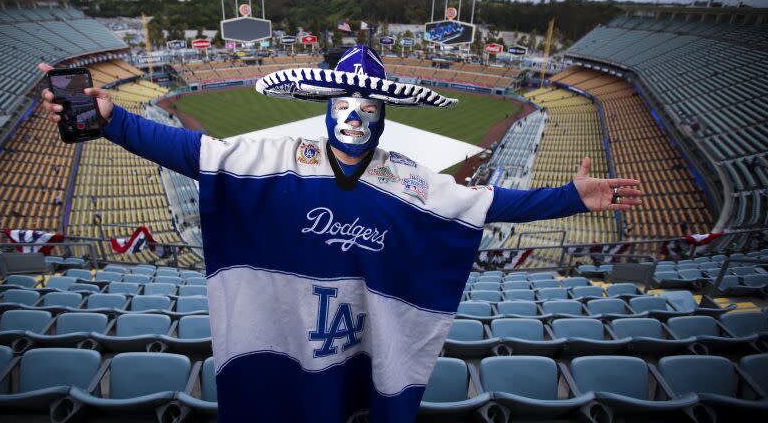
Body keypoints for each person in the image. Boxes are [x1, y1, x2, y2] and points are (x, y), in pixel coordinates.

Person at [38, 45, 642, 423]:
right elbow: (189, 151)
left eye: (369, 110)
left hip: (353, 346)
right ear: (325, 107)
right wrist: (112, 123)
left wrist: (570, 196)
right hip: (277, 341)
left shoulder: (407, 181)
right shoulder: (271, 157)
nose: (355, 118)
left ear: (385, 117)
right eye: (344, 106)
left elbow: (486, 202)